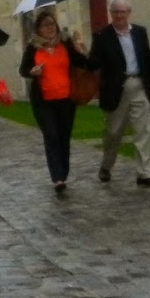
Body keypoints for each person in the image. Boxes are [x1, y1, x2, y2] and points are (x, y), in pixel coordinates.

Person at [87, 0, 150, 187]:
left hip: (139, 84)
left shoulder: (139, 32)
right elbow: (93, 64)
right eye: (115, 12)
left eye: (122, 12)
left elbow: (148, 60)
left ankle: (145, 173)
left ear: (128, 13)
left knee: (143, 131)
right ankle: (106, 165)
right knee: (113, 132)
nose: (119, 15)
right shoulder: (102, 36)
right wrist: (82, 51)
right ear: (111, 13)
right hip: (115, 90)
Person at [20, 11, 92, 195]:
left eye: (52, 24)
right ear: (38, 29)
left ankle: (63, 171)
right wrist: (33, 71)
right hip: (43, 101)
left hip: (66, 99)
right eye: (45, 25)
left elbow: (84, 63)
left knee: (63, 136)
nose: (49, 28)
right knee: (51, 135)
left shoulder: (65, 44)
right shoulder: (33, 47)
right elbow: (23, 69)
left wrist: (82, 49)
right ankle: (57, 177)